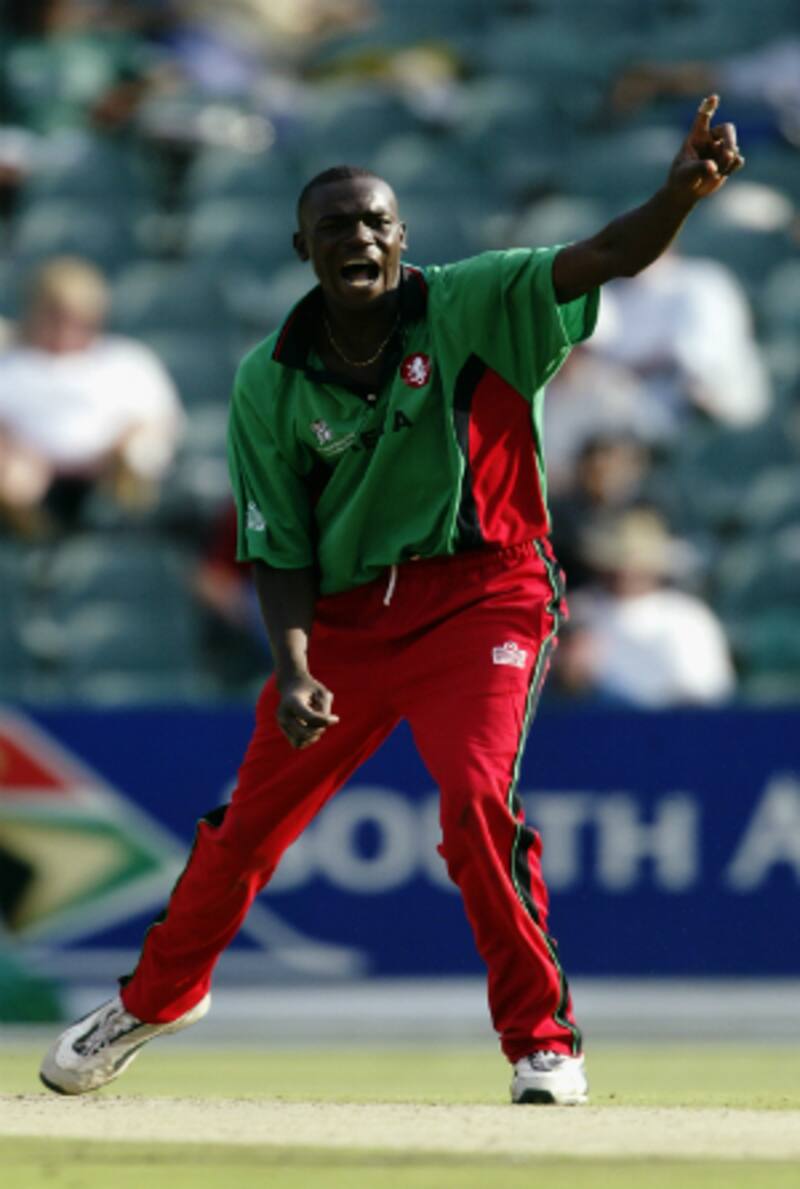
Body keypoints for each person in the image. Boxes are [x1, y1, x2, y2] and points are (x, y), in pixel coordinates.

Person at [40, 95, 743, 1105]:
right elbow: (273, 546)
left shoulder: (474, 301)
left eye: (375, 222)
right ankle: (155, 998)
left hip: (485, 594)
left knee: (470, 798)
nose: (358, 238)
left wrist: (674, 197)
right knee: (243, 828)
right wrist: (290, 667)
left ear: (401, 237)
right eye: (335, 227)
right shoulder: (265, 381)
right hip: (343, 623)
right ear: (300, 248)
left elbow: (605, 255)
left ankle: (541, 1040)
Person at [0, 257, 184, 536]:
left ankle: (124, 541)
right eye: (53, 317)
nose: (64, 330)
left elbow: (163, 424)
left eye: (76, 319)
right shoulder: (9, 360)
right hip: (23, 481)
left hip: (113, 477)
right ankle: (33, 544)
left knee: (141, 457)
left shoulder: (128, 360)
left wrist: (123, 449)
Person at [552, 507, 736, 708]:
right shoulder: (574, 610)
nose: (626, 571)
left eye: (634, 562)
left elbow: (706, 693)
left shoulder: (689, 617)